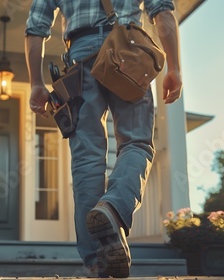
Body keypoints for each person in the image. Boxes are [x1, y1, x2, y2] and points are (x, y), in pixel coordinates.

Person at [25, 0, 183, 278]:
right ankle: (112, 206)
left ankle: (97, 260)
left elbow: (35, 28)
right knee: (136, 143)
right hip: (128, 51)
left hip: (79, 59)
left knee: (87, 158)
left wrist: (36, 83)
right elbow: (162, 13)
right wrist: (174, 67)